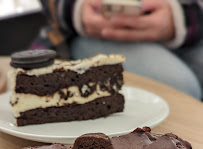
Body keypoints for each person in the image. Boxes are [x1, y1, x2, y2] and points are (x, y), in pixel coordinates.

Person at [31, 0, 203, 100]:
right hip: (85, 34)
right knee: (180, 87)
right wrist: (75, 9)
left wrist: (181, 18)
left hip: (191, 31)